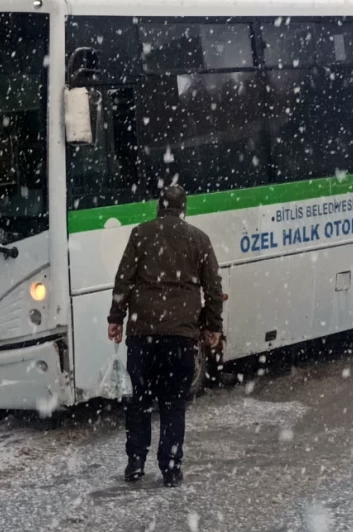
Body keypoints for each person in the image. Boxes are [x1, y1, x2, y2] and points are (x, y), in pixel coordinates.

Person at [108, 185, 224, 488]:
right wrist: (213, 326)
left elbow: (123, 279)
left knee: (140, 402)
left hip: (143, 333)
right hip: (180, 337)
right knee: (173, 404)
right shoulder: (198, 239)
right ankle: (171, 468)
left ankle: (135, 462)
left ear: (159, 207)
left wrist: (116, 318)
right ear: (183, 209)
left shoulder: (140, 234)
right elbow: (213, 288)